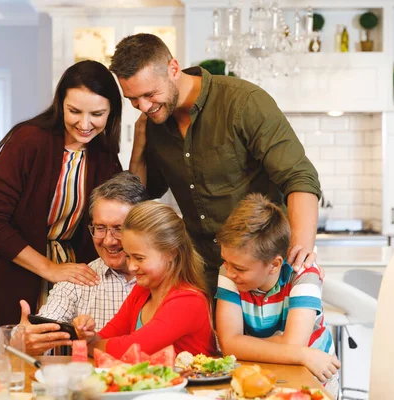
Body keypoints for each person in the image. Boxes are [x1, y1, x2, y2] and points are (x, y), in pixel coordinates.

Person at [109, 33, 322, 297]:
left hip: (261, 269)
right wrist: (140, 147)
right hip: (202, 273)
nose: (143, 106)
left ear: (173, 69)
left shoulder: (243, 103)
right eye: (133, 99)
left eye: (149, 94)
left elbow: (299, 176)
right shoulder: (154, 123)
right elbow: (142, 196)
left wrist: (300, 251)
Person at [0, 60, 123, 356]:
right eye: (74, 111)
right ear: (60, 105)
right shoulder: (29, 141)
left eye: (97, 114)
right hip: (0, 278)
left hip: (61, 285)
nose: (85, 124)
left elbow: (125, 206)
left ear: (112, 113)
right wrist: (49, 268)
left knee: (50, 377)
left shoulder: (105, 155)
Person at [214, 193, 340, 397]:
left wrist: (243, 344)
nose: (229, 272)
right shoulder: (229, 271)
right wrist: (300, 352)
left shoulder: (304, 275)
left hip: (314, 373)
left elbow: (292, 344)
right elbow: (229, 344)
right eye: (225, 262)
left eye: (239, 268)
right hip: (272, 366)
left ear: (274, 265)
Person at [16, 171, 148, 356]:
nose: (109, 241)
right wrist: (22, 341)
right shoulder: (77, 280)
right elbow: (37, 331)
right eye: (100, 228)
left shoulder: (165, 278)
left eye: (119, 229)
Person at [73, 201, 217, 358]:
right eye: (127, 256)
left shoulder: (188, 300)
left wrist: (89, 346)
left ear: (171, 254)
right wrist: (88, 335)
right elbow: (106, 336)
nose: (132, 266)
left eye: (139, 258)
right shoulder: (142, 290)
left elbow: (129, 349)